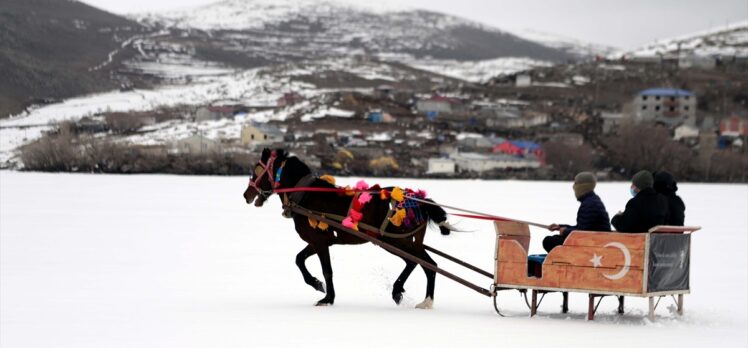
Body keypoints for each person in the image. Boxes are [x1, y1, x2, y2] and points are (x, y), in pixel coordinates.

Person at [543, 172, 611, 252]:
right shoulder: (591, 201)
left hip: (593, 245)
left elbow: (582, 233)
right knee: (554, 239)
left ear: (583, 186)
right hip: (592, 241)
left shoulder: (590, 204)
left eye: (575, 183)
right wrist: (560, 227)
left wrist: (565, 231)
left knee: (549, 241)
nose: (573, 187)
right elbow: (583, 227)